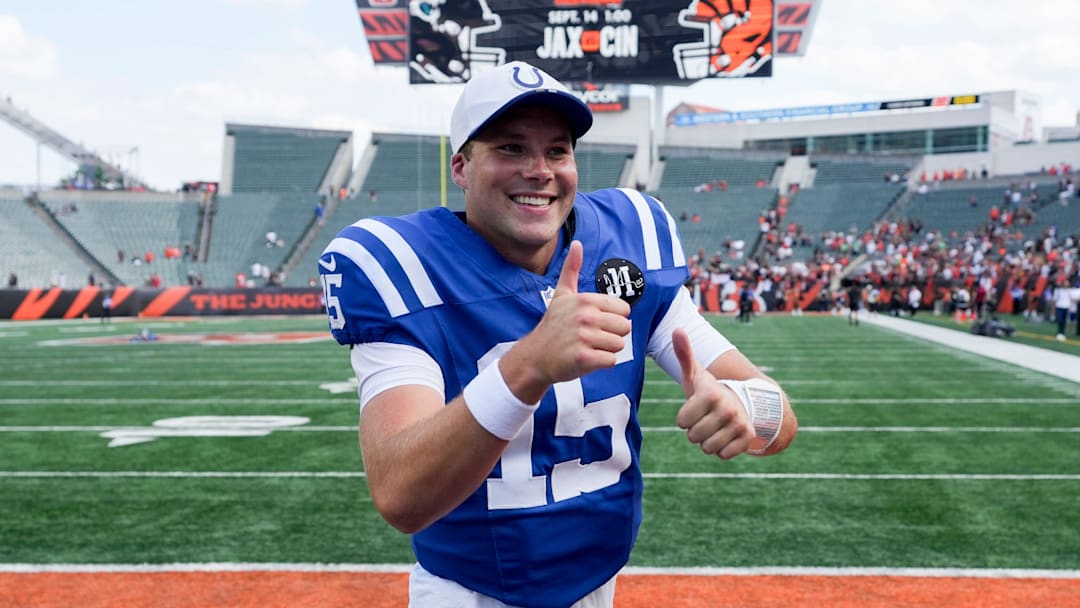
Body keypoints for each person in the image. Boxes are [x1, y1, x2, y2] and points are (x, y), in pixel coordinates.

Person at [317, 61, 797, 608]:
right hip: (468, 594)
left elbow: (779, 419)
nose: (540, 170)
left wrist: (743, 408)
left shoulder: (627, 244)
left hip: (599, 588)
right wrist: (528, 366)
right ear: (461, 167)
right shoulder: (408, 268)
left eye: (557, 150)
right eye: (511, 148)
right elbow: (400, 494)